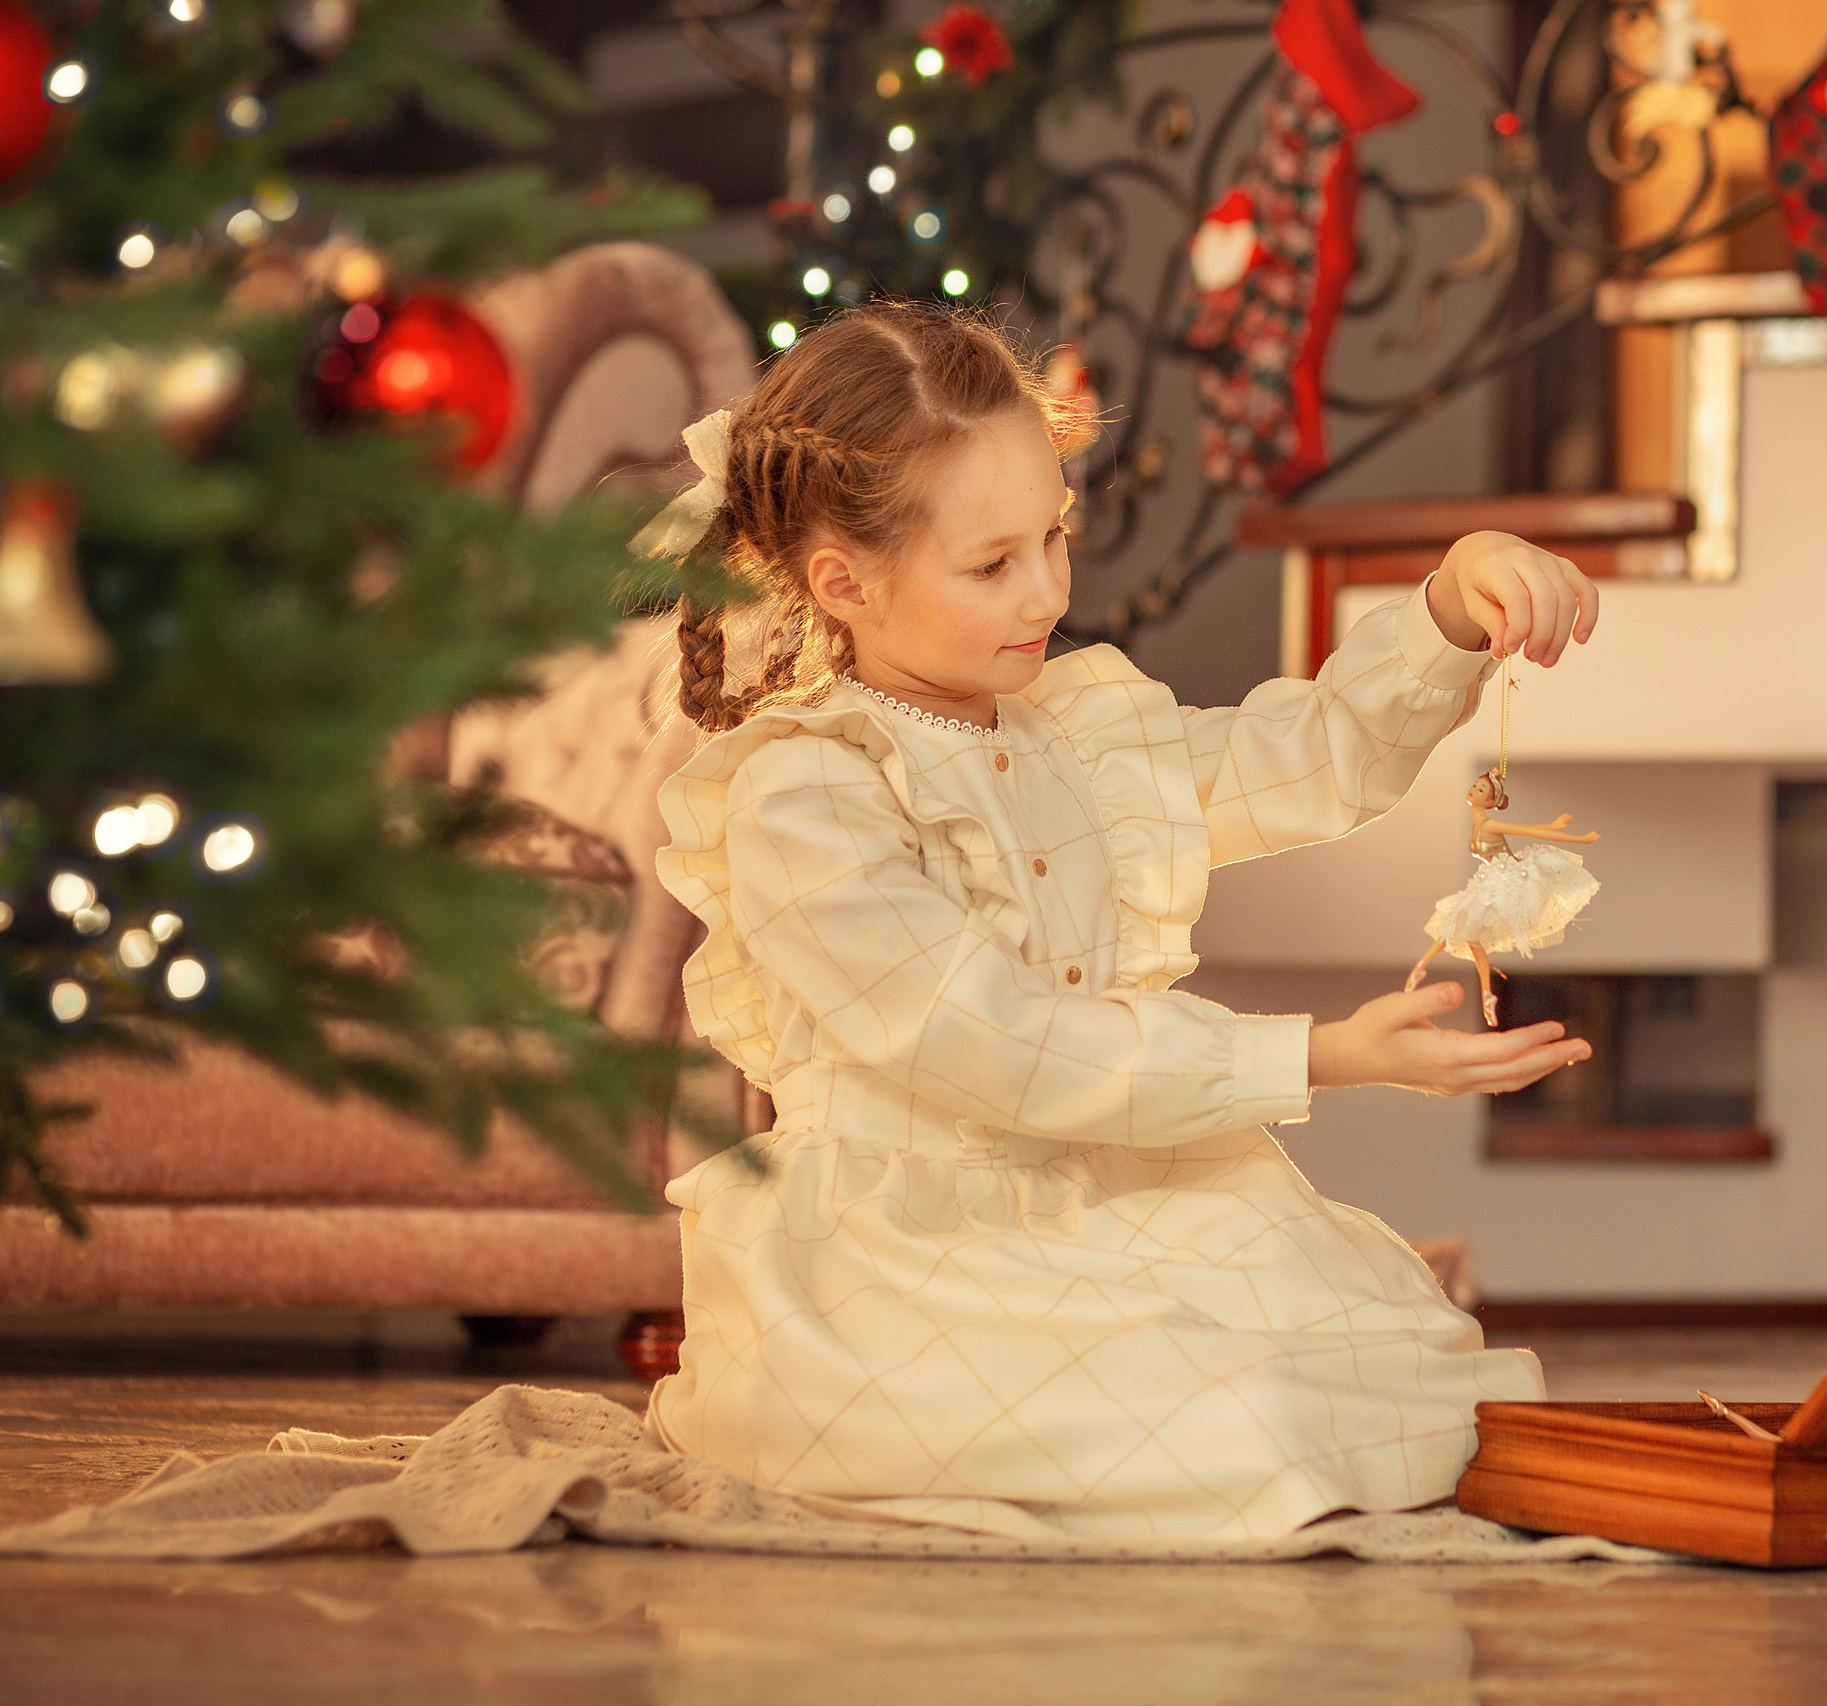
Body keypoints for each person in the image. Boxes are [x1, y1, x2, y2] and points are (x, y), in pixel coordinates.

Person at [644, 301, 1599, 1545]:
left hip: (1115, 1190)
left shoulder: (1078, 735)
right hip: (906, 1239)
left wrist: (1453, 601)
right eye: (992, 564)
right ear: (844, 581)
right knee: (1242, 1422)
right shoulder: (802, 792)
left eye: (1054, 533)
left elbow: (1306, 758)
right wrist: (1319, 1054)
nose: (1047, 588)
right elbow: (987, 1036)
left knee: (1417, 1368)